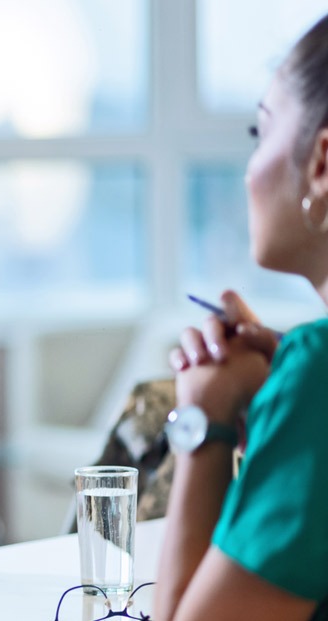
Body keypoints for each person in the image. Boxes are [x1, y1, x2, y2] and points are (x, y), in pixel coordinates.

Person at [155, 12, 328, 621]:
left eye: (261, 132)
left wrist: (203, 422)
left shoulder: (317, 371)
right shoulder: (305, 370)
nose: (249, 169)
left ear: (323, 162)